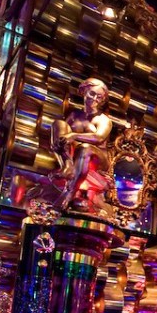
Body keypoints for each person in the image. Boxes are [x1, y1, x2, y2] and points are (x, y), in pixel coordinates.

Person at [49, 77, 113, 214]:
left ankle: (70, 192)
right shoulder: (74, 115)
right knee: (59, 124)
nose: (95, 99)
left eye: (99, 97)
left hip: (97, 159)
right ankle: (67, 165)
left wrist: (74, 135)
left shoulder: (104, 120)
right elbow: (62, 139)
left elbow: (99, 137)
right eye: (92, 94)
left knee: (85, 148)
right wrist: (67, 140)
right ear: (83, 91)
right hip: (75, 155)